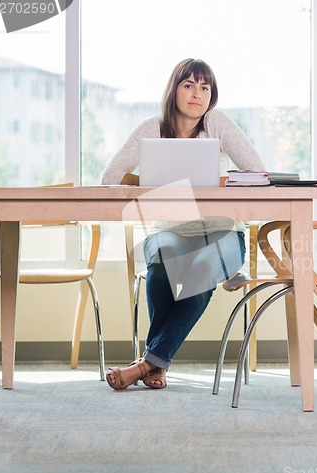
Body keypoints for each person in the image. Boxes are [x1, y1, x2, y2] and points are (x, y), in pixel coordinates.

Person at [101, 58, 265, 390]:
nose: (197, 93)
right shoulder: (152, 128)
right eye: (189, 85)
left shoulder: (216, 124)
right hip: (168, 231)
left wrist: (216, 182)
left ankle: (147, 363)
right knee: (162, 259)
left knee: (202, 268)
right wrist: (150, 181)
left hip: (223, 233)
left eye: (205, 87)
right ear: (173, 90)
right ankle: (156, 365)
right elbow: (110, 178)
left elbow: (258, 173)